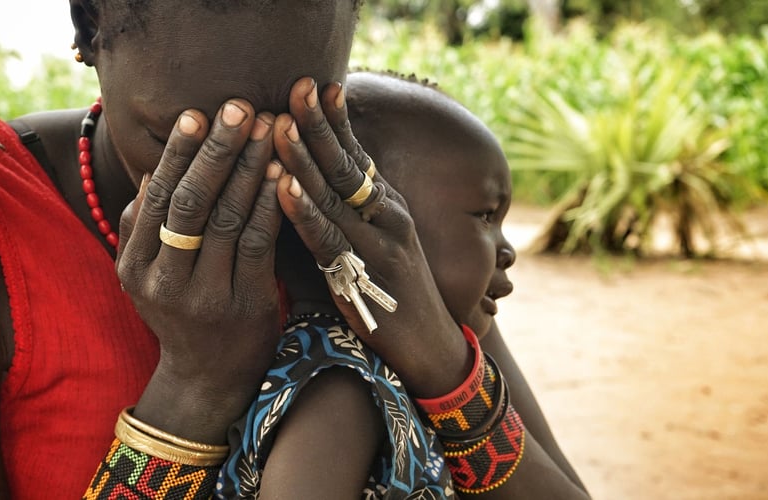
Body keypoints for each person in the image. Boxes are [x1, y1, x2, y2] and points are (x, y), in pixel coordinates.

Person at [0, 1, 581, 498]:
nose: (253, 173)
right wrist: (195, 385)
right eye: (184, 137)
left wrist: (435, 353)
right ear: (90, 26)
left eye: (297, 125)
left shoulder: (353, 217)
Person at [210, 72, 590, 498]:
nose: (508, 251)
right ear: (368, 226)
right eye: (485, 215)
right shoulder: (342, 385)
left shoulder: (397, 359)